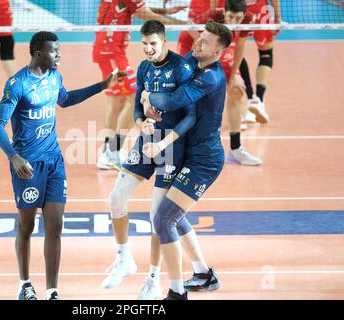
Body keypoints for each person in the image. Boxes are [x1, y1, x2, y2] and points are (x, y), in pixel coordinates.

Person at [0, 31, 122, 300]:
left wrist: (102, 85)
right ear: (39, 53)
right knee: (26, 227)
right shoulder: (17, 84)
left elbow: (65, 99)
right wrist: (14, 158)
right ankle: (25, 285)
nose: (59, 55)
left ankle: (52, 291)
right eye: (54, 51)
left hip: (54, 162)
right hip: (27, 165)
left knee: (55, 224)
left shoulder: (54, 76)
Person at [103, 20, 205, 300]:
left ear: (164, 41)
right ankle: (124, 259)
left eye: (153, 44)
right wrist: (139, 122)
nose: (148, 49)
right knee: (115, 198)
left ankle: (153, 279)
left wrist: (163, 140)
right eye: (144, 44)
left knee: (157, 217)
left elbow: (190, 116)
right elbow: (138, 104)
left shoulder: (182, 69)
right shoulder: (145, 67)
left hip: (171, 147)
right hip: (146, 141)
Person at [140, 20, 232, 300]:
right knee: (171, 215)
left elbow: (173, 100)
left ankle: (176, 292)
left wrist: (145, 94)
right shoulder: (195, 64)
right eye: (200, 37)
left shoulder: (211, 76)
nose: (198, 42)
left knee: (164, 219)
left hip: (204, 160)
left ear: (217, 53)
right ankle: (204, 274)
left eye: (205, 42)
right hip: (187, 152)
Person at [93, 0, 187, 170]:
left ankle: (108, 153)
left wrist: (166, 11)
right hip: (111, 52)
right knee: (134, 98)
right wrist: (184, 24)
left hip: (106, 51)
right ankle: (112, 151)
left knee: (116, 103)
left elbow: (139, 10)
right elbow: (146, 15)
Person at [178, 0, 262, 165]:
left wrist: (234, 76)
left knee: (236, 90)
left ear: (244, 15)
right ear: (224, 12)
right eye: (230, 17)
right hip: (193, 45)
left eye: (238, 18)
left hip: (219, 49)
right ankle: (190, 148)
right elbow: (190, 27)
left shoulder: (246, 21)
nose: (234, 22)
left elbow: (239, 48)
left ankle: (236, 149)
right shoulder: (212, 17)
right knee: (195, 94)